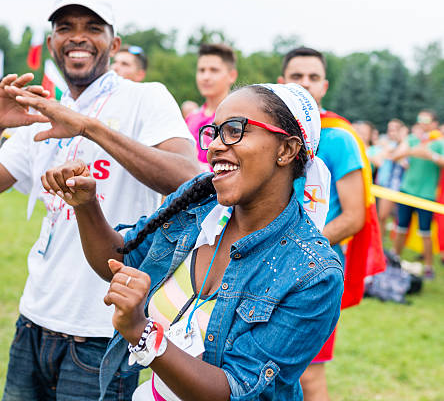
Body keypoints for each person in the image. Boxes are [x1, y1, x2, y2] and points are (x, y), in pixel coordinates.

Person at [0, 0, 200, 399]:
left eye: (92, 28)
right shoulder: (44, 112)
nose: (77, 37)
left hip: (104, 331)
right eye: (65, 28)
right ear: (51, 44)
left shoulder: (145, 98)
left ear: (114, 45)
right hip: (34, 320)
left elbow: (188, 178)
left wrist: (87, 126)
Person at [40, 83, 342, 400]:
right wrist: (86, 204)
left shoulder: (314, 275)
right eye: (213, 133)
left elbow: (234, 391)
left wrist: (143, 334)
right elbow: (120, 260)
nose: (213, 148)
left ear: (286, 150)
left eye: (235, 130)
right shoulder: (201, 204)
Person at [278, 46, 385, 401]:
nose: (305, 84)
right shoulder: (269, 135)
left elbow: (353, 216)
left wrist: (293, 245)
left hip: (314, 272)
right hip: (259, 266)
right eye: (296, 77)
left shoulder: (339, 139)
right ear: (282, 82)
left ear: (324, 85)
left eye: (312, 77)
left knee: (308, 375)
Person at [391, 110, 444, 279]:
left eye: (426, 120)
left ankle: (429, 267)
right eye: (420, 119)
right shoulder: (413, 139)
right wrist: (410, 153)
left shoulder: (439, 142)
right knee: (400, 228)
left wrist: (432, 156)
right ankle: (394, 260)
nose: (422, 122)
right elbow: (395, 156)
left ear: (434, 123)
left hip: (426, 195)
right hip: (407, 191)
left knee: (425, 232)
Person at [185, 43, 237, 169]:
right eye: (201, 70)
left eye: (214, 70)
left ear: (232, 75)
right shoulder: (191, 117)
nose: (205, 77)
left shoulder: (237, 118)